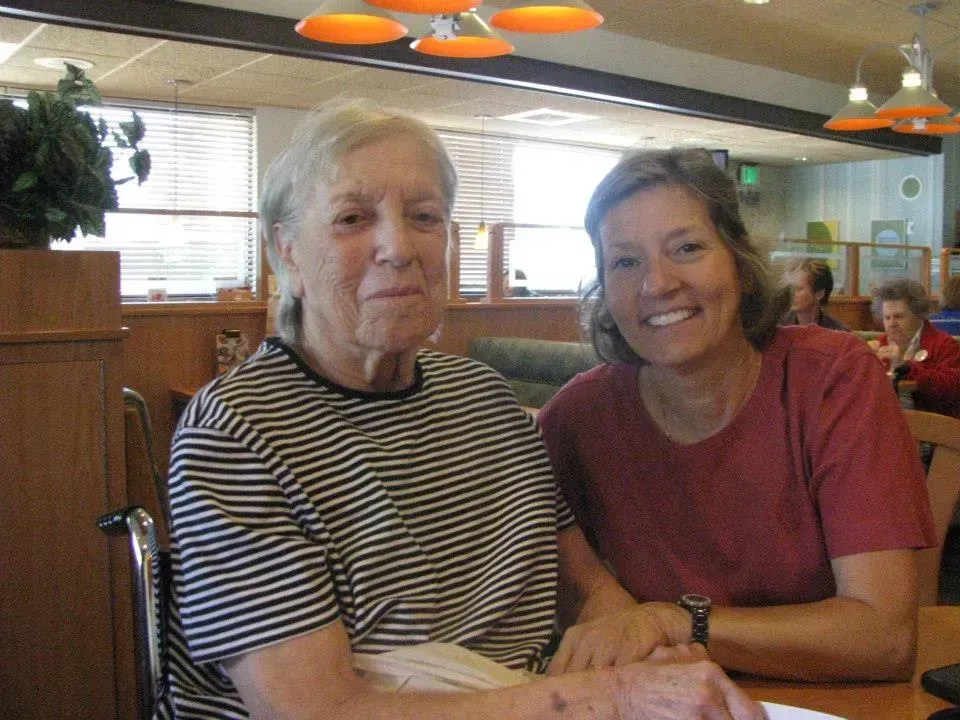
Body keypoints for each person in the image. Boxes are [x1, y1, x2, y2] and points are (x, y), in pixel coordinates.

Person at [161, 103, 763, 719]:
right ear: (286, 253)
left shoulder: (486, 398)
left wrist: (640, 652)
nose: (399, 247)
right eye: (351, 218)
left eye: (425, 217)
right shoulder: (235, 432)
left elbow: (585, 589)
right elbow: (316, 711)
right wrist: (610, 695)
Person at [538, 148, 935, 683]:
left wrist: (679, 623)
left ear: (741, 265)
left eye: (687, 247)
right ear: (605, 293)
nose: (657, 283)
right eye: (625, 261)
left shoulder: (831, 379)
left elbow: (883, 639)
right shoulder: (579, 418)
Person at [869, 277, 960, 418]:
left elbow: (952, 388)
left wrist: (905, 367)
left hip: (932, 428)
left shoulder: (944, 345)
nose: (892, 324)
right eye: (887, 318)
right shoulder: (879, 344)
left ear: (918, 314)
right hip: (885, 422)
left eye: (899, 316)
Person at [780, 258, 849, 331]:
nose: (791, 293)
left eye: (798, 288)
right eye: (789, 288)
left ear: (819, 294)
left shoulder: (838, 332)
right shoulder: (777, 329)